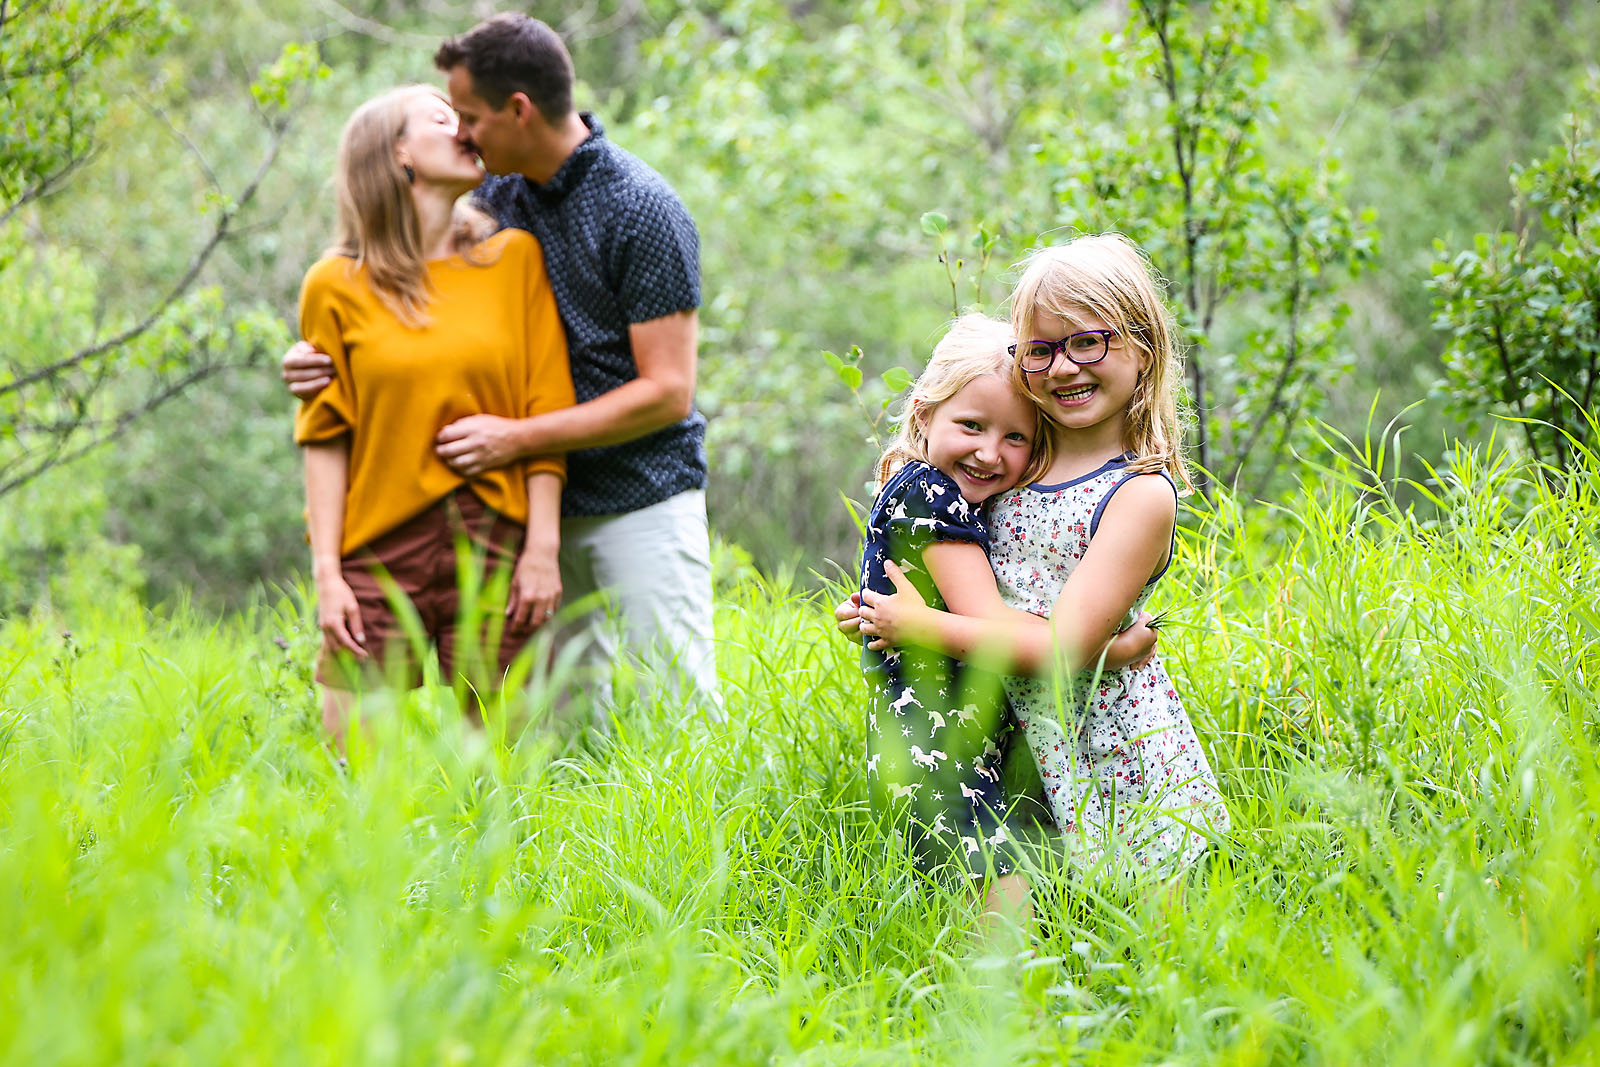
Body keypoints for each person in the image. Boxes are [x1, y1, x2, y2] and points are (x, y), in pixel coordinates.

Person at [283, 14, 717, 715]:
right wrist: (312, 359)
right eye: (449, 118)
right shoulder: (494, 198)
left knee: (673, 703)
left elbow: (668, 392)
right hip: (522, 512)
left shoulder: (641, 209)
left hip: (635, 493)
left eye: (469, 116)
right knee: (561, 729)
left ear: (518, 111)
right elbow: (394, 285)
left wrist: (515, 439)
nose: (462, 132)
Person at [858, 234, 1230, 879]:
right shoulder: (1018, 460)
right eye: (1041, 349)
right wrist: (883, 606)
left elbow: (1064, 649)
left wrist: (921, 627)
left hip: (1111, 739)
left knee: (1145, 917)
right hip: (1020, 733)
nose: (1063, 367)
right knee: (1047, 912)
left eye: (1088, 342)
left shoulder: (1138, 494)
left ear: (1142, 349)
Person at [296, 84, 573, 752]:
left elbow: (546, 408)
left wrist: (542, 548)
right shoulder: (333, 285)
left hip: (495, 541)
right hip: (377, 544)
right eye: (442, 118)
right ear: (398, 153)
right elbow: (325, 439)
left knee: (505, 775)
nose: (465, 131)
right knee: (355, 769)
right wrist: (328, 573)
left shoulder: (513, 259)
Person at [857, 313, 1158, 923]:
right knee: (1000, 895)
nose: (989, 453)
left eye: (1015, 437)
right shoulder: (933, 495)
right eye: (971, 425)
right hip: (938, 745)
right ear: (923, 414)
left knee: (996, 890)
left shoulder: (939, 492)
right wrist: (1109, 648)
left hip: (946, 736)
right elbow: (992, 624)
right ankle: (993, 987)